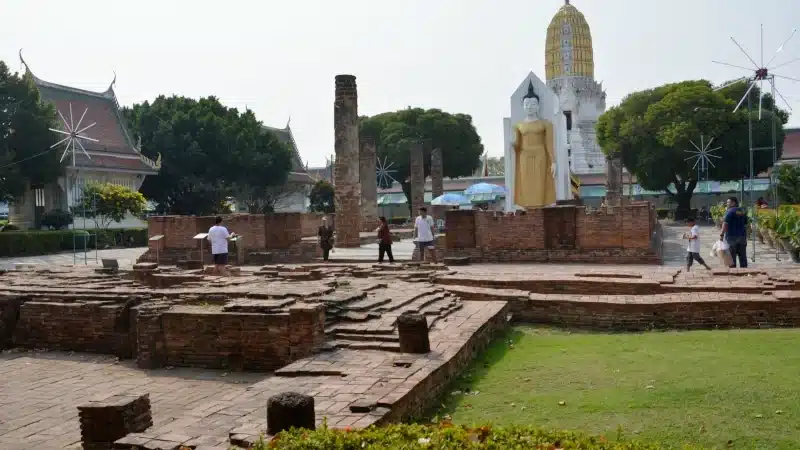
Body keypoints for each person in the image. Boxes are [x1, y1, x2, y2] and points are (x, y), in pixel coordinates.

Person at [720, 196, 749, 268]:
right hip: (742, 237)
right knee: (743, 257)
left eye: (728, 202)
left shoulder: (730, 212)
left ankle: (734, 274)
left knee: (732, 258)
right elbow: (746, 224)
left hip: (731, 237)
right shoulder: (742, 211)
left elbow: (725, 224)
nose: (727, 204)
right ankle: (744, 272)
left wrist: (721, 234)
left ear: (733, 203)